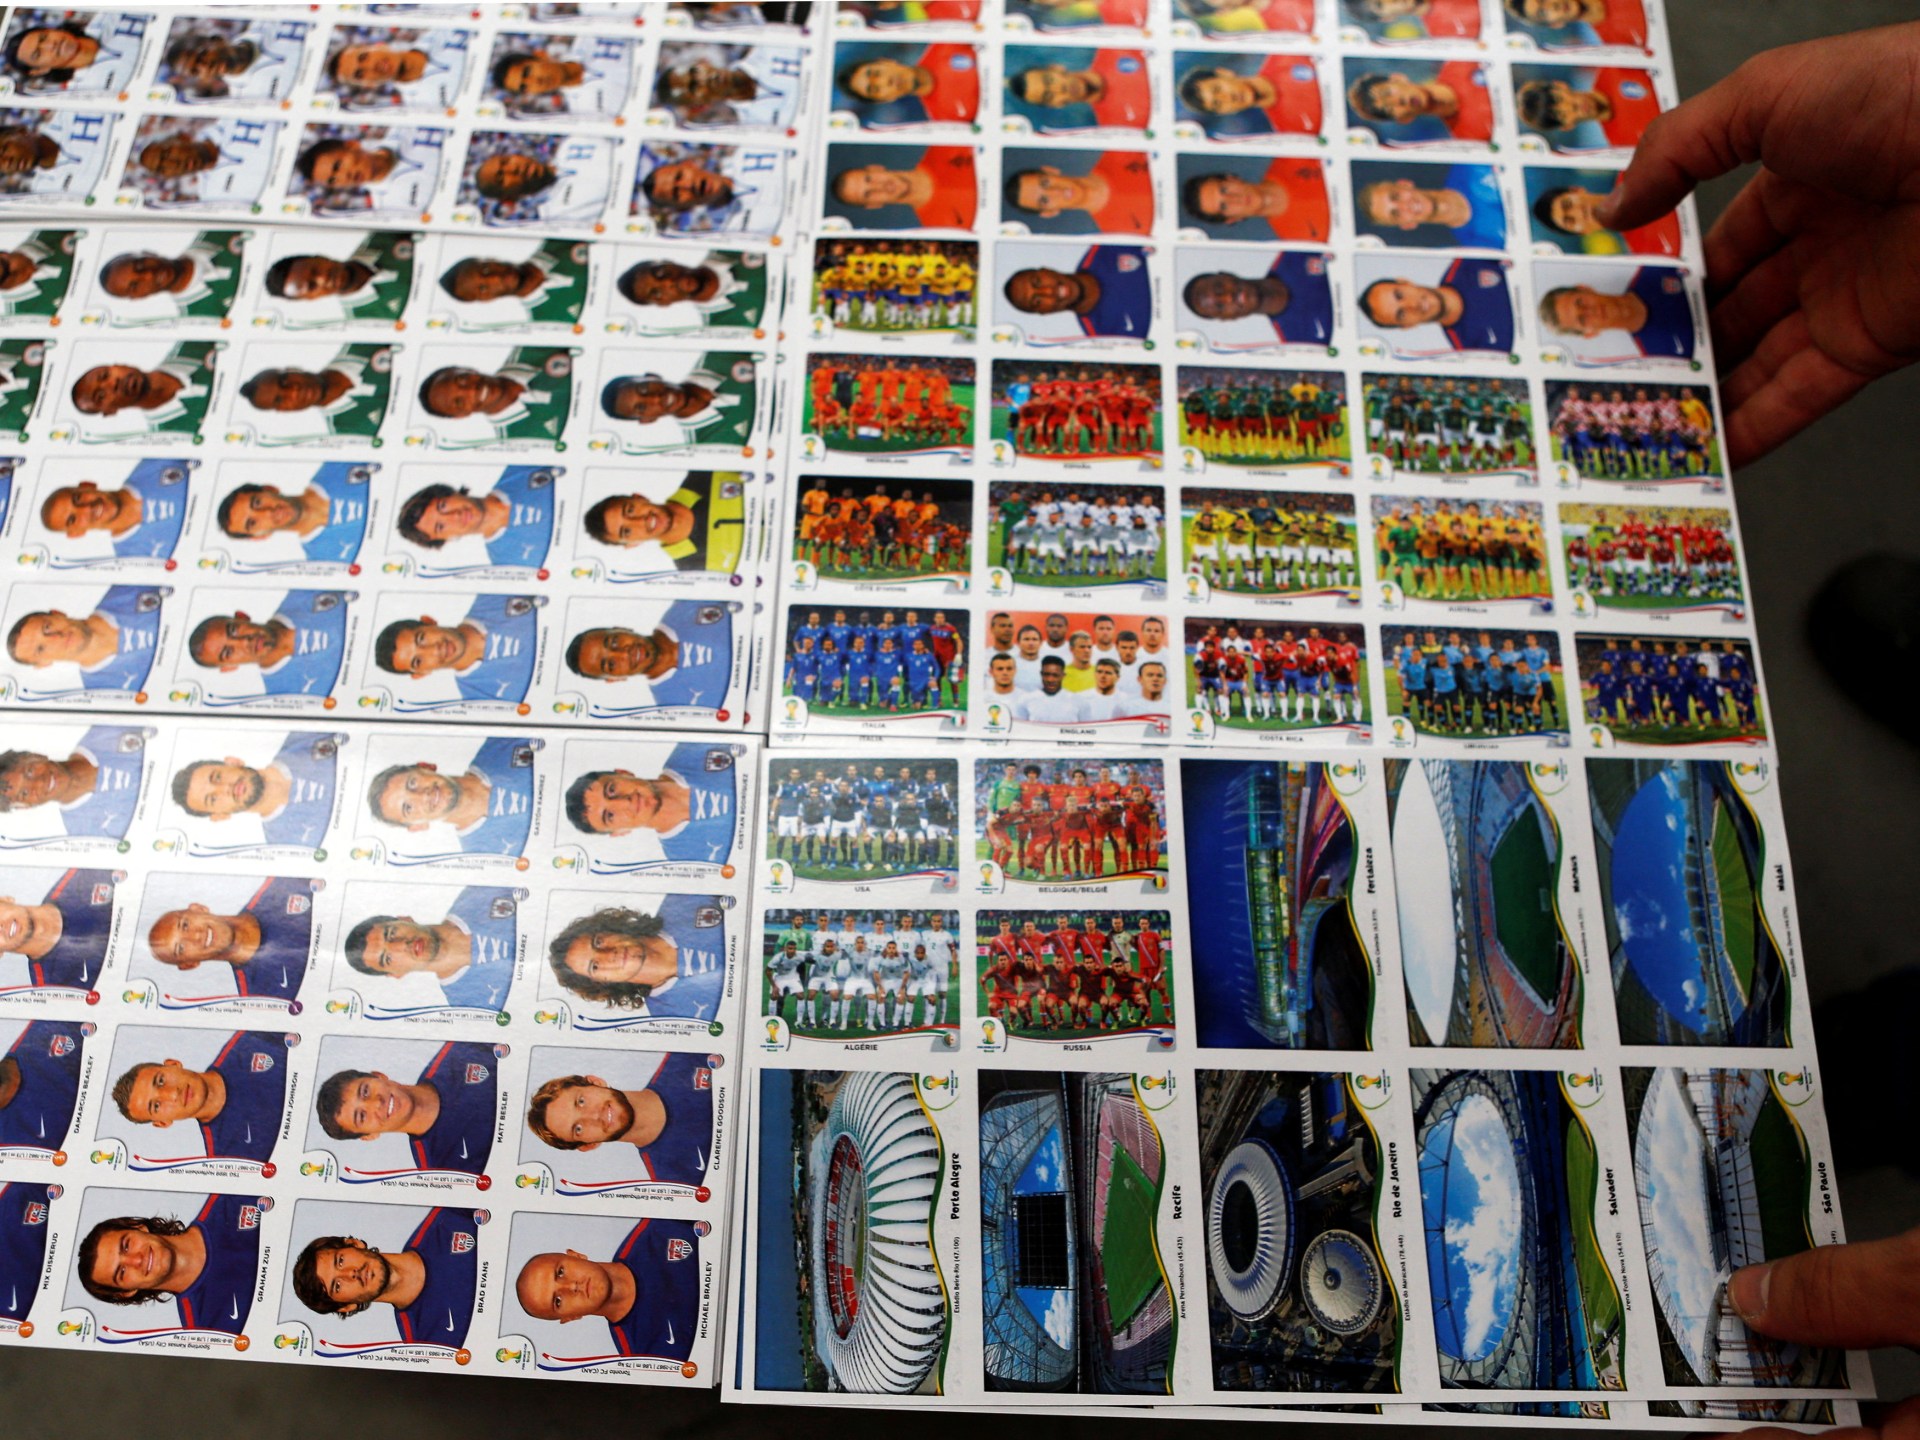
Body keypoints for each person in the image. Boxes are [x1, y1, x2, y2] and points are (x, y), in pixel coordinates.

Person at [513, 1219, 702, 1360]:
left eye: (560, 1272)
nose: (571, 1286)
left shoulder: (658, 1227)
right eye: (558, 1301)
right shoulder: (645, 1357)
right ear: (570, 1317)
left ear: (576, 1255)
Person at [290, 1209, 480, 1348]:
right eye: (337, 1286)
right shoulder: (428, 1344)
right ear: (346, 1306)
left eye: (340, 1261)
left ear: (354, 1243)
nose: (350, 1274)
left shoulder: (446, 1219)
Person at [314, 1039, 499, 1177]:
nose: (376, 1103)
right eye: (361, 1116)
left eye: (365, 1091)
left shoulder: (460, 1051)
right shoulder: (440, 1173)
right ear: (369, 1136)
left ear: (379, 1076)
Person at [76, 1198, 262, 1331]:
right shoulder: (208, 1331)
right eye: (122, 1272)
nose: (137, 1260)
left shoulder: (231, 1198)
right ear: (127, 1292)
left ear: (137, 1226)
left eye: (126, 1245)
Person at [523, 1054, 714, 1184]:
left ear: (595, 1082)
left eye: (581, 1101)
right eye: (578, 1128)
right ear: (588, 1145)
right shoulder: (676, 1182)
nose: (593, 1116)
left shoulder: (686, 1057)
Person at [110, 1032, 290, 1164]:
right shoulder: (230, 1159)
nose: (172, 1094)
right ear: (163, 1122)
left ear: (173, 1064)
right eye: (156, 1106)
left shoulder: (249, 1041)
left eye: (161, 1081)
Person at [342, 887, 520, 1011]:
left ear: (404, 919)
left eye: (391, 933)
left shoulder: (480, 895)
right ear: (396, 974)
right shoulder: (469, 1005)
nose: (402, 945)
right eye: (387, 958)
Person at [145, 880, 317, 1004]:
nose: (196, 936)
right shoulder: (263, 1000)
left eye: (185, 925)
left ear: (199, 908)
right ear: (190, 964)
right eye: (181, 948)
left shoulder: (283, 886)